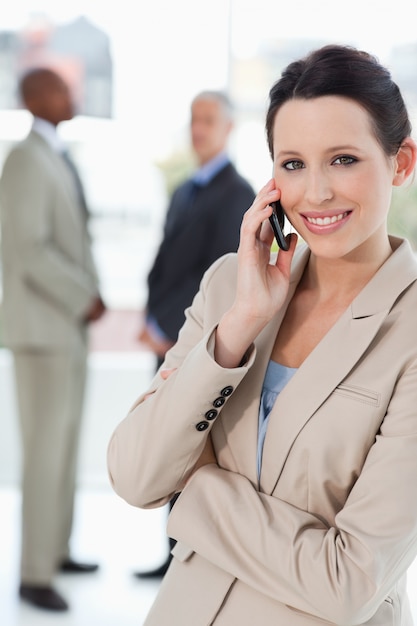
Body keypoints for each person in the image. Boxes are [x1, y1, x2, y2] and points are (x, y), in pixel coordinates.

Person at [107, 43, 417, 625]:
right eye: (293, 164)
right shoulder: (232, 287)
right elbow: (134, 473)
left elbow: (348, 582)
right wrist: (240, 325)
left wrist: (193, 489)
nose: (316, 192)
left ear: (400, 163)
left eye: (344, 159)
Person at [135, 90, 255, 578]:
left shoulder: (239, 193)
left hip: (201, 344)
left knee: (198, 451)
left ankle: (190, 559)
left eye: (208, 119)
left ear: (228, 129)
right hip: (167, 338)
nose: (198, 128)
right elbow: (164, 266)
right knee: (169, 445)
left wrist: (166, 326)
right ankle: (170, 557)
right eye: (193, 119)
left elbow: (220, 275)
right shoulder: (185, 190)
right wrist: (149, 321)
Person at [0, 68, 106, 612]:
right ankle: (32, 573)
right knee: (43, 454)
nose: (74, 94)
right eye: (64, 88)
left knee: (62, 449)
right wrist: (82, 295)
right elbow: (29, 248)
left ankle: (57, 550)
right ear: (36, 96)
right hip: (43, 330)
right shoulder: (24, 160)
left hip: (63, 330)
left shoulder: (55, 155)